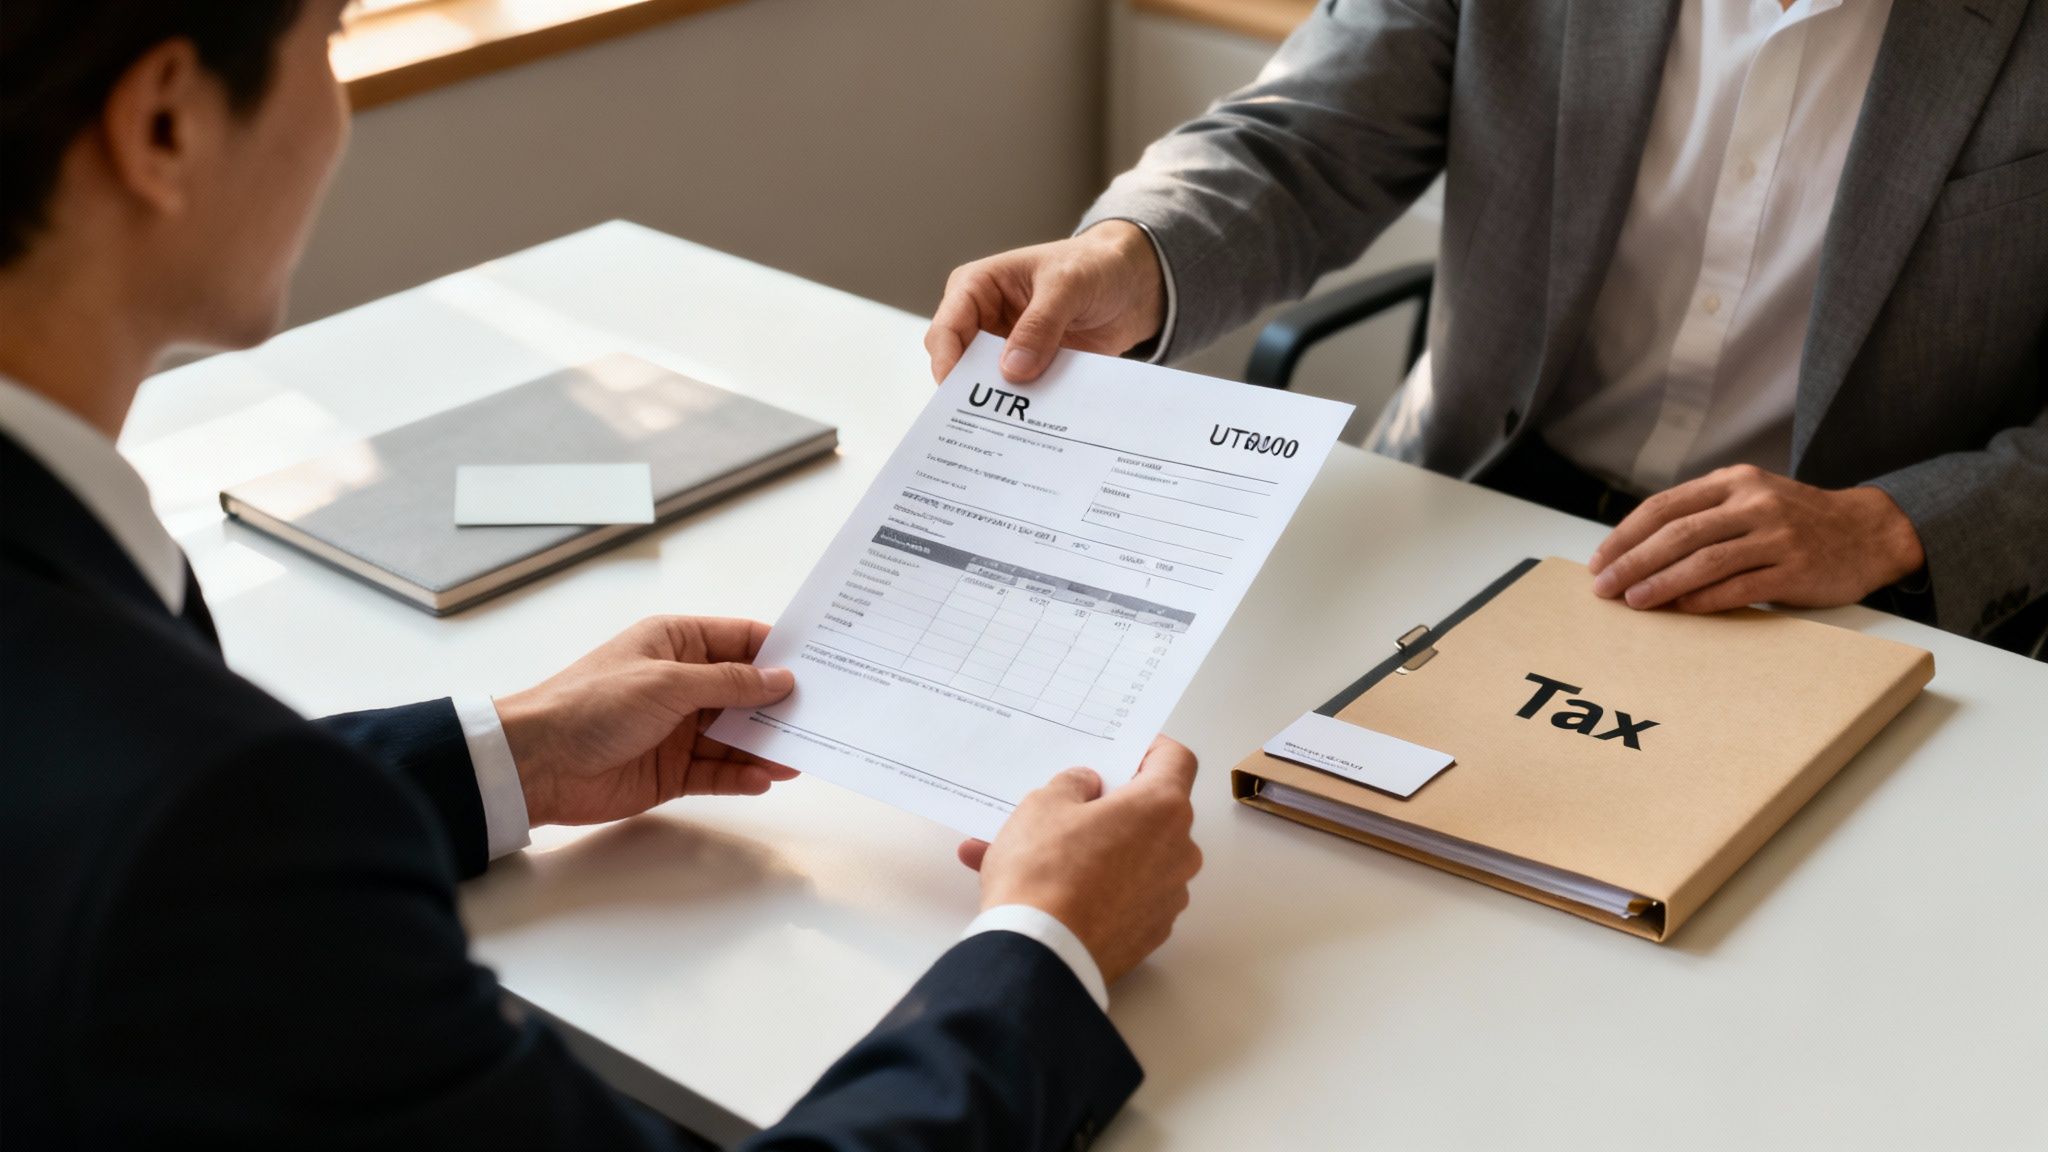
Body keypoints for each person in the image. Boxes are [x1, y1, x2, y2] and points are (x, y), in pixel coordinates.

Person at [0, 3, 1203, 1148]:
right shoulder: (198, 833)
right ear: (164, 122)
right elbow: (196, 851)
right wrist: (1046, 948)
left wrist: (514, 753)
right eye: (330, 37)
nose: (335, 112)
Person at [927, 0, 2048, 657]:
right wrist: (1129, 255)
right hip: (1476, 489)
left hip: (1842, 586)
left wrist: (1892, 526)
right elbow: (1302, 139)